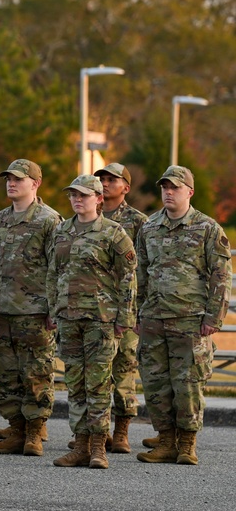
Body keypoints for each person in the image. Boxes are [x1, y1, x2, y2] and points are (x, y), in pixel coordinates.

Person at [134, 165, 231, 465]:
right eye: (164, 187)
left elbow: (221, 276)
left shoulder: (207, 228)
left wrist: (213, 317)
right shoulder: (149, 228)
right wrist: (136, 313)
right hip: (153, 319)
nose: (168, 192)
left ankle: (187, 443)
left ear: (189, 191)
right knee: (154, 383)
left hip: (190, 320)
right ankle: (165, 441)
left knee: (187, 383)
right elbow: (139, 275)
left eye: (174, 187)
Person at [47, 175, 137, 469]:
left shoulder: (113, 233)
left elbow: (128, 277)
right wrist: (54, 309)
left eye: (83, 195)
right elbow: (53, 274)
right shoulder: (62, 230)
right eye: (73, 195)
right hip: (69, 319)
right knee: (75, 383)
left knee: (98, 384)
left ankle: (99, 446)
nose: (77, 200)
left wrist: (124, 317)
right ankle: (81, 444)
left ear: (99, 199)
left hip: (101, 320)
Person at [0, 159, 61, 457]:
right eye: (8, 179)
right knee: (5, 372)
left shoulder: (49, 220)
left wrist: (54, 306)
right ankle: (15, 427)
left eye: (18, 179)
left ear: (35, 183)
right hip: (2, 309)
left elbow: (57, 267)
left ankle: (34, 432)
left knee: (36, 372)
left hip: (34, 310)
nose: (11, 183)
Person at [94, 162, 147, 453]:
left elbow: (143, 267)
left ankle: (122, 430)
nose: (104, 183)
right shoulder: (87, 214)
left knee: (124, 367)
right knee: (94, 372)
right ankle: (95, 432)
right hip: (93, 306)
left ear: (125, 187)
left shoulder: (138, 221)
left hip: (124, 306)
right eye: (101, 178)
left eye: (111, 179)